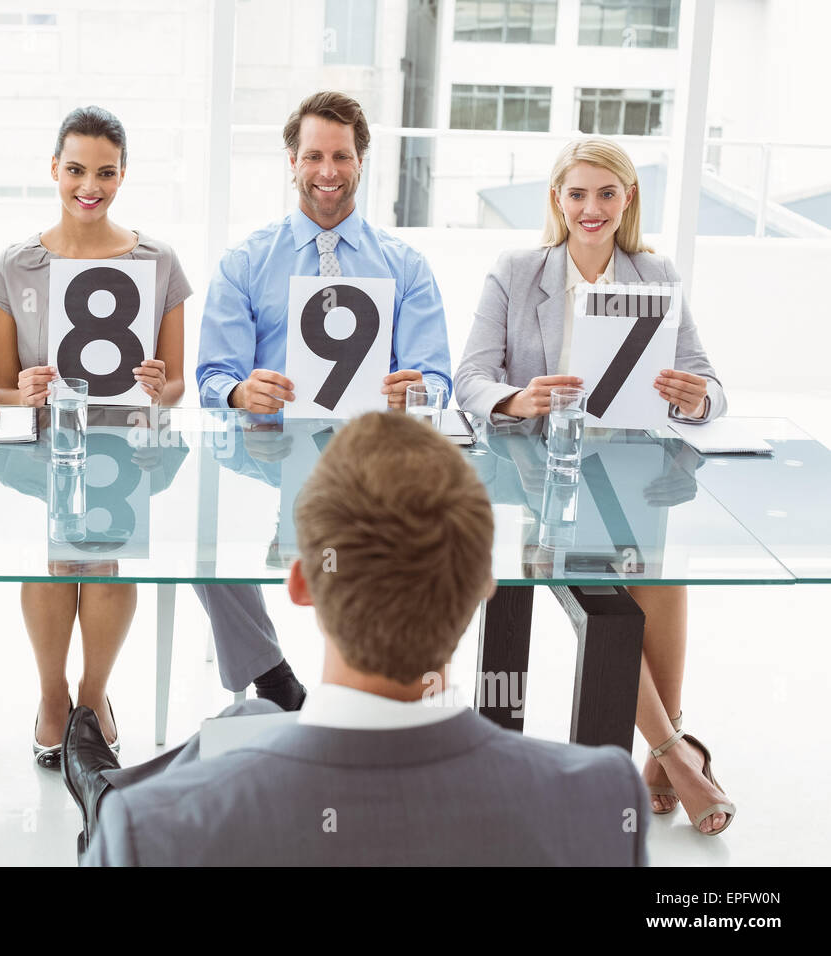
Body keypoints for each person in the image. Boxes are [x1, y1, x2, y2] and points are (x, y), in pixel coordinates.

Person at [60, 411, 647, 865]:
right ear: (482, 587)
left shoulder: (149, 830)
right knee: (251, 715)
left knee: (250, 717)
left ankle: (102, 786)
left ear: (301, 583)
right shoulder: (603, 800)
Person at [454, 137, 734, 836]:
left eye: (606, 194)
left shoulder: (655, 272)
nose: (591, 208)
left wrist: (695, 398)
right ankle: (677, 757)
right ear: (557, 200)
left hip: (634, 476)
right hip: (540, 480)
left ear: (627, 200)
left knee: (664, 578)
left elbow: (712, 387)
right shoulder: (518, 271)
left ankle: (662, 757)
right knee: (599, 581)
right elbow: (471, 379)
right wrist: (521, 399)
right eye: (577, 194)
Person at [193, 90, 453, 711]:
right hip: (266, 453)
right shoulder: (245, 263)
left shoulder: (406, 266)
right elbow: (211, 378)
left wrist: (412, 393)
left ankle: (377, 691)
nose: (328, 172)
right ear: (292, 160)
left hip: (371, 460)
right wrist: (239, 390)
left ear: (361, 160)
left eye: (341, 156)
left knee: (416, 544)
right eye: (314, 156)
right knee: (203, 547)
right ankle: (272, 676)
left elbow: (438, 383)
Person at [0, 106, 189, 768]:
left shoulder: (158, 263)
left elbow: (178, 383)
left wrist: (160, 385)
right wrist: (29, 391)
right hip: (43, 444)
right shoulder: (17, 266)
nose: (88, 186)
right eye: (75, 170)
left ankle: (92, 699)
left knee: (100, 556)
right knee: (59, 553)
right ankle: (52, 696)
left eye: (104, 172)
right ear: (54, 170)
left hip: (127, 442)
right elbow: (2, 392)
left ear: (123, 176)